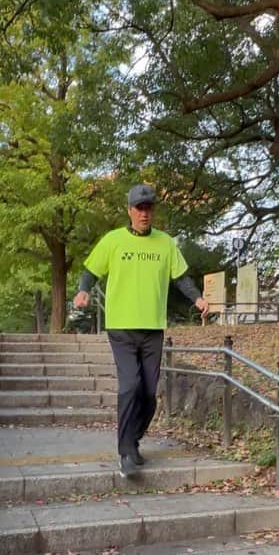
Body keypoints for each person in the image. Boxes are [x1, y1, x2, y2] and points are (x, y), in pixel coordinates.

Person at [73, 184, 209, 478]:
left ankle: (133, 441)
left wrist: (197, 297)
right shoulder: (113, 241)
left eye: (149, 208)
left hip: (152, 328)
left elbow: (181, 277)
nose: (144, 213)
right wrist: (83, 291)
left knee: (148, 394)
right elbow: (91, 270)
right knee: (130, 386)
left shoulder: (165, 244)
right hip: (121, 327)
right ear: (130, 211)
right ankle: (125, 453)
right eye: (139, 208)